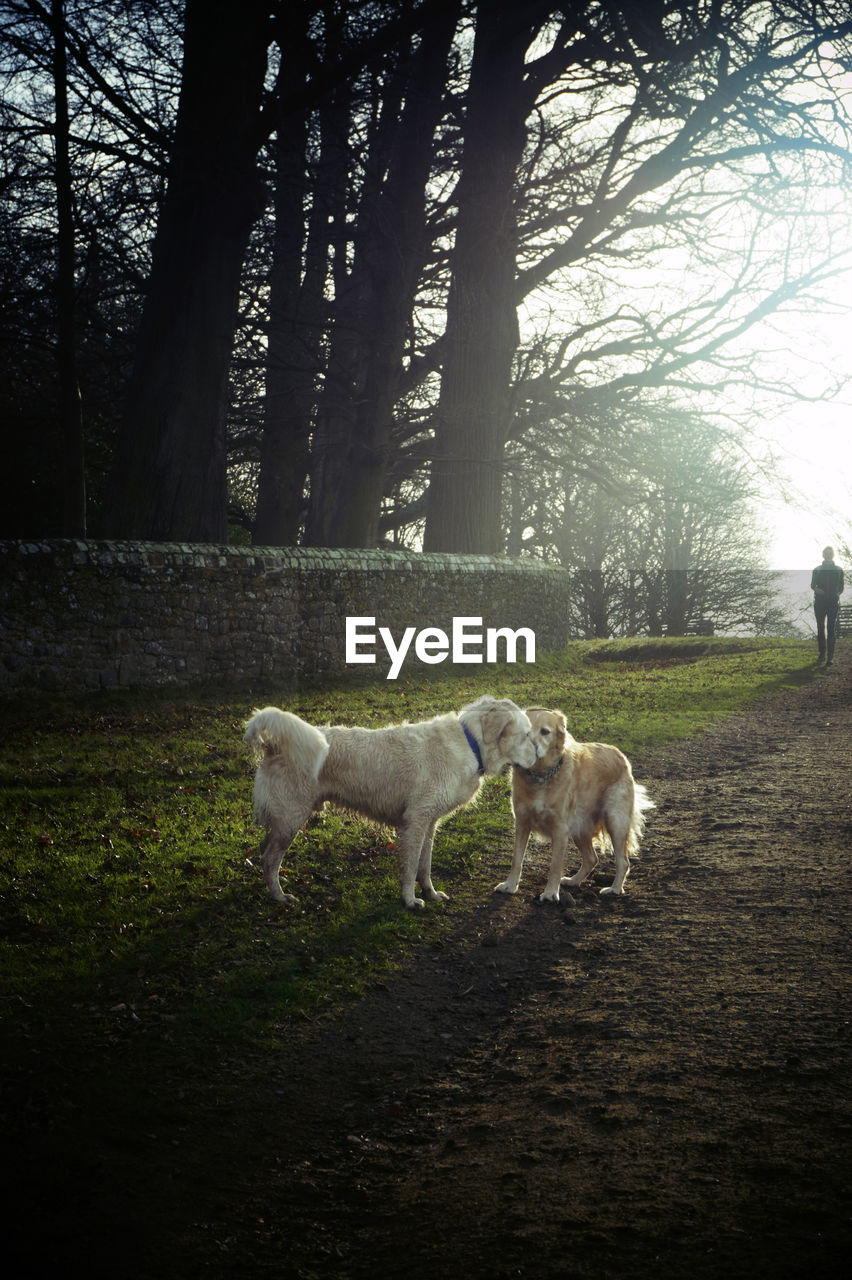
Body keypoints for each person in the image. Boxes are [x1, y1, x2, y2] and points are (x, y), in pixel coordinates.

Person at [811, 546, 844, 665]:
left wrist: (837, 594)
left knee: (831, 628)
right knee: (820, 628)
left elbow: (841, 587)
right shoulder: (817, 569)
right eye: (826, 553)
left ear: (833, 555)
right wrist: (817, 590)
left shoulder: (839, 570)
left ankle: (830, 657)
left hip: (833, 603)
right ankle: (821, 655)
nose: (828, 555)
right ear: (823, 555)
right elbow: (812, 585)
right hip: (819, 603)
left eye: (830, 553)